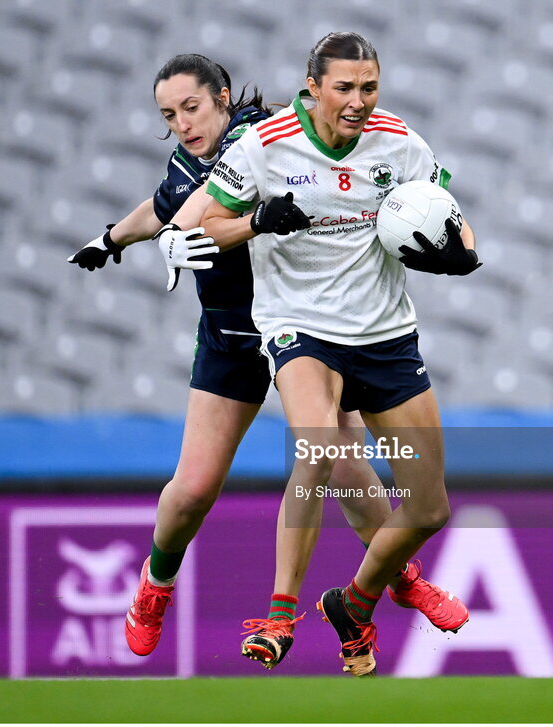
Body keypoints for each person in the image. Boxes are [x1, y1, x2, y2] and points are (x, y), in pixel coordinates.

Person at [67, 53, 464, 669]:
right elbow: (167, 203)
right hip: (234, 341)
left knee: (345, 469)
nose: (182, 124)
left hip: (308, 331)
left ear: (223, 96)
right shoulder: (183, 163)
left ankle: (392, 585)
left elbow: (198, 208)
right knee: (194, 488)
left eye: (191, 107)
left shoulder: (261, 137)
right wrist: (113, 237)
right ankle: (156, 583)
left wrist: (199, 230)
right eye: (168, 115)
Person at [201, 32, 481, 677]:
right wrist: (257, 222)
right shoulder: (264, 147)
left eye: (369, 87)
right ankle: (278, 614)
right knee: (319, 448)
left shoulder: (399, 141)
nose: (358, 101)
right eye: (345, 87)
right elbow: (204, 225)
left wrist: (464, 253)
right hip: (301, 329)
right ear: (312, 86)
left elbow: (448, 211)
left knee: (431, 508)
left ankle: (353, 605)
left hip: (385, 336)